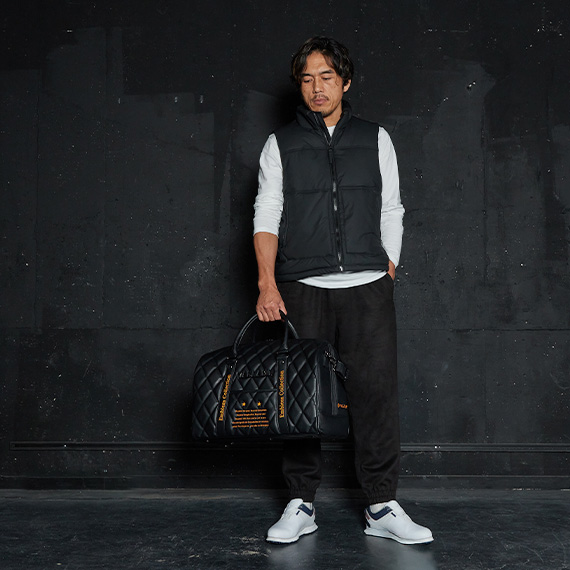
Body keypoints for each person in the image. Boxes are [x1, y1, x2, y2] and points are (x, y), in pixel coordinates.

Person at [253, 36, 432, 545]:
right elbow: (267, 212)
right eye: (308, 79)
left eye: (327, 77)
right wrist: (267, 283)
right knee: (299, 398)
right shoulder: (280, 143)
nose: (317, 87)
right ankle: (300, 502)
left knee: (375, 396)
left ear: (345, 82)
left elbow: (392, 208)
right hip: (302, 287)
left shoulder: (376, 138)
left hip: (366, 287)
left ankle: (381, 505)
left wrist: (387, 267)